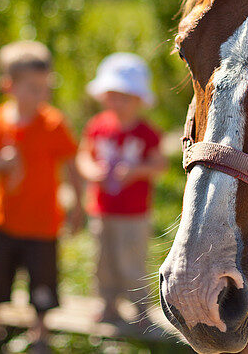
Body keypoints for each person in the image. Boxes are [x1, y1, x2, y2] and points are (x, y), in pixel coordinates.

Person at [0, 40, 85, 352]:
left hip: (43, 224)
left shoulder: (53, 123)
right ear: (9, 85)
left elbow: (71, 165)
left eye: (45, 87)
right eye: (33, 88)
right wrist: (0, 163)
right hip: (3, 219)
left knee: (43, 283)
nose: (42, 95)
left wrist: (77, 205)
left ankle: (40, 334)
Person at [76, 53, 166, 327]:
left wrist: (137, 171)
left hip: (134, 213)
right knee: (103, 260)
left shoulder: (146, 133)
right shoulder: (97, 127)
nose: (118, 103)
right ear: (103, 96)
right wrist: (92, 171)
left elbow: (159, 164)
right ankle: (108, 304)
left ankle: (139, 309)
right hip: (103, 209)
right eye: (112, 96)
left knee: (132, 261)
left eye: (125, 97)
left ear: (139, 100)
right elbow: (84, 156)